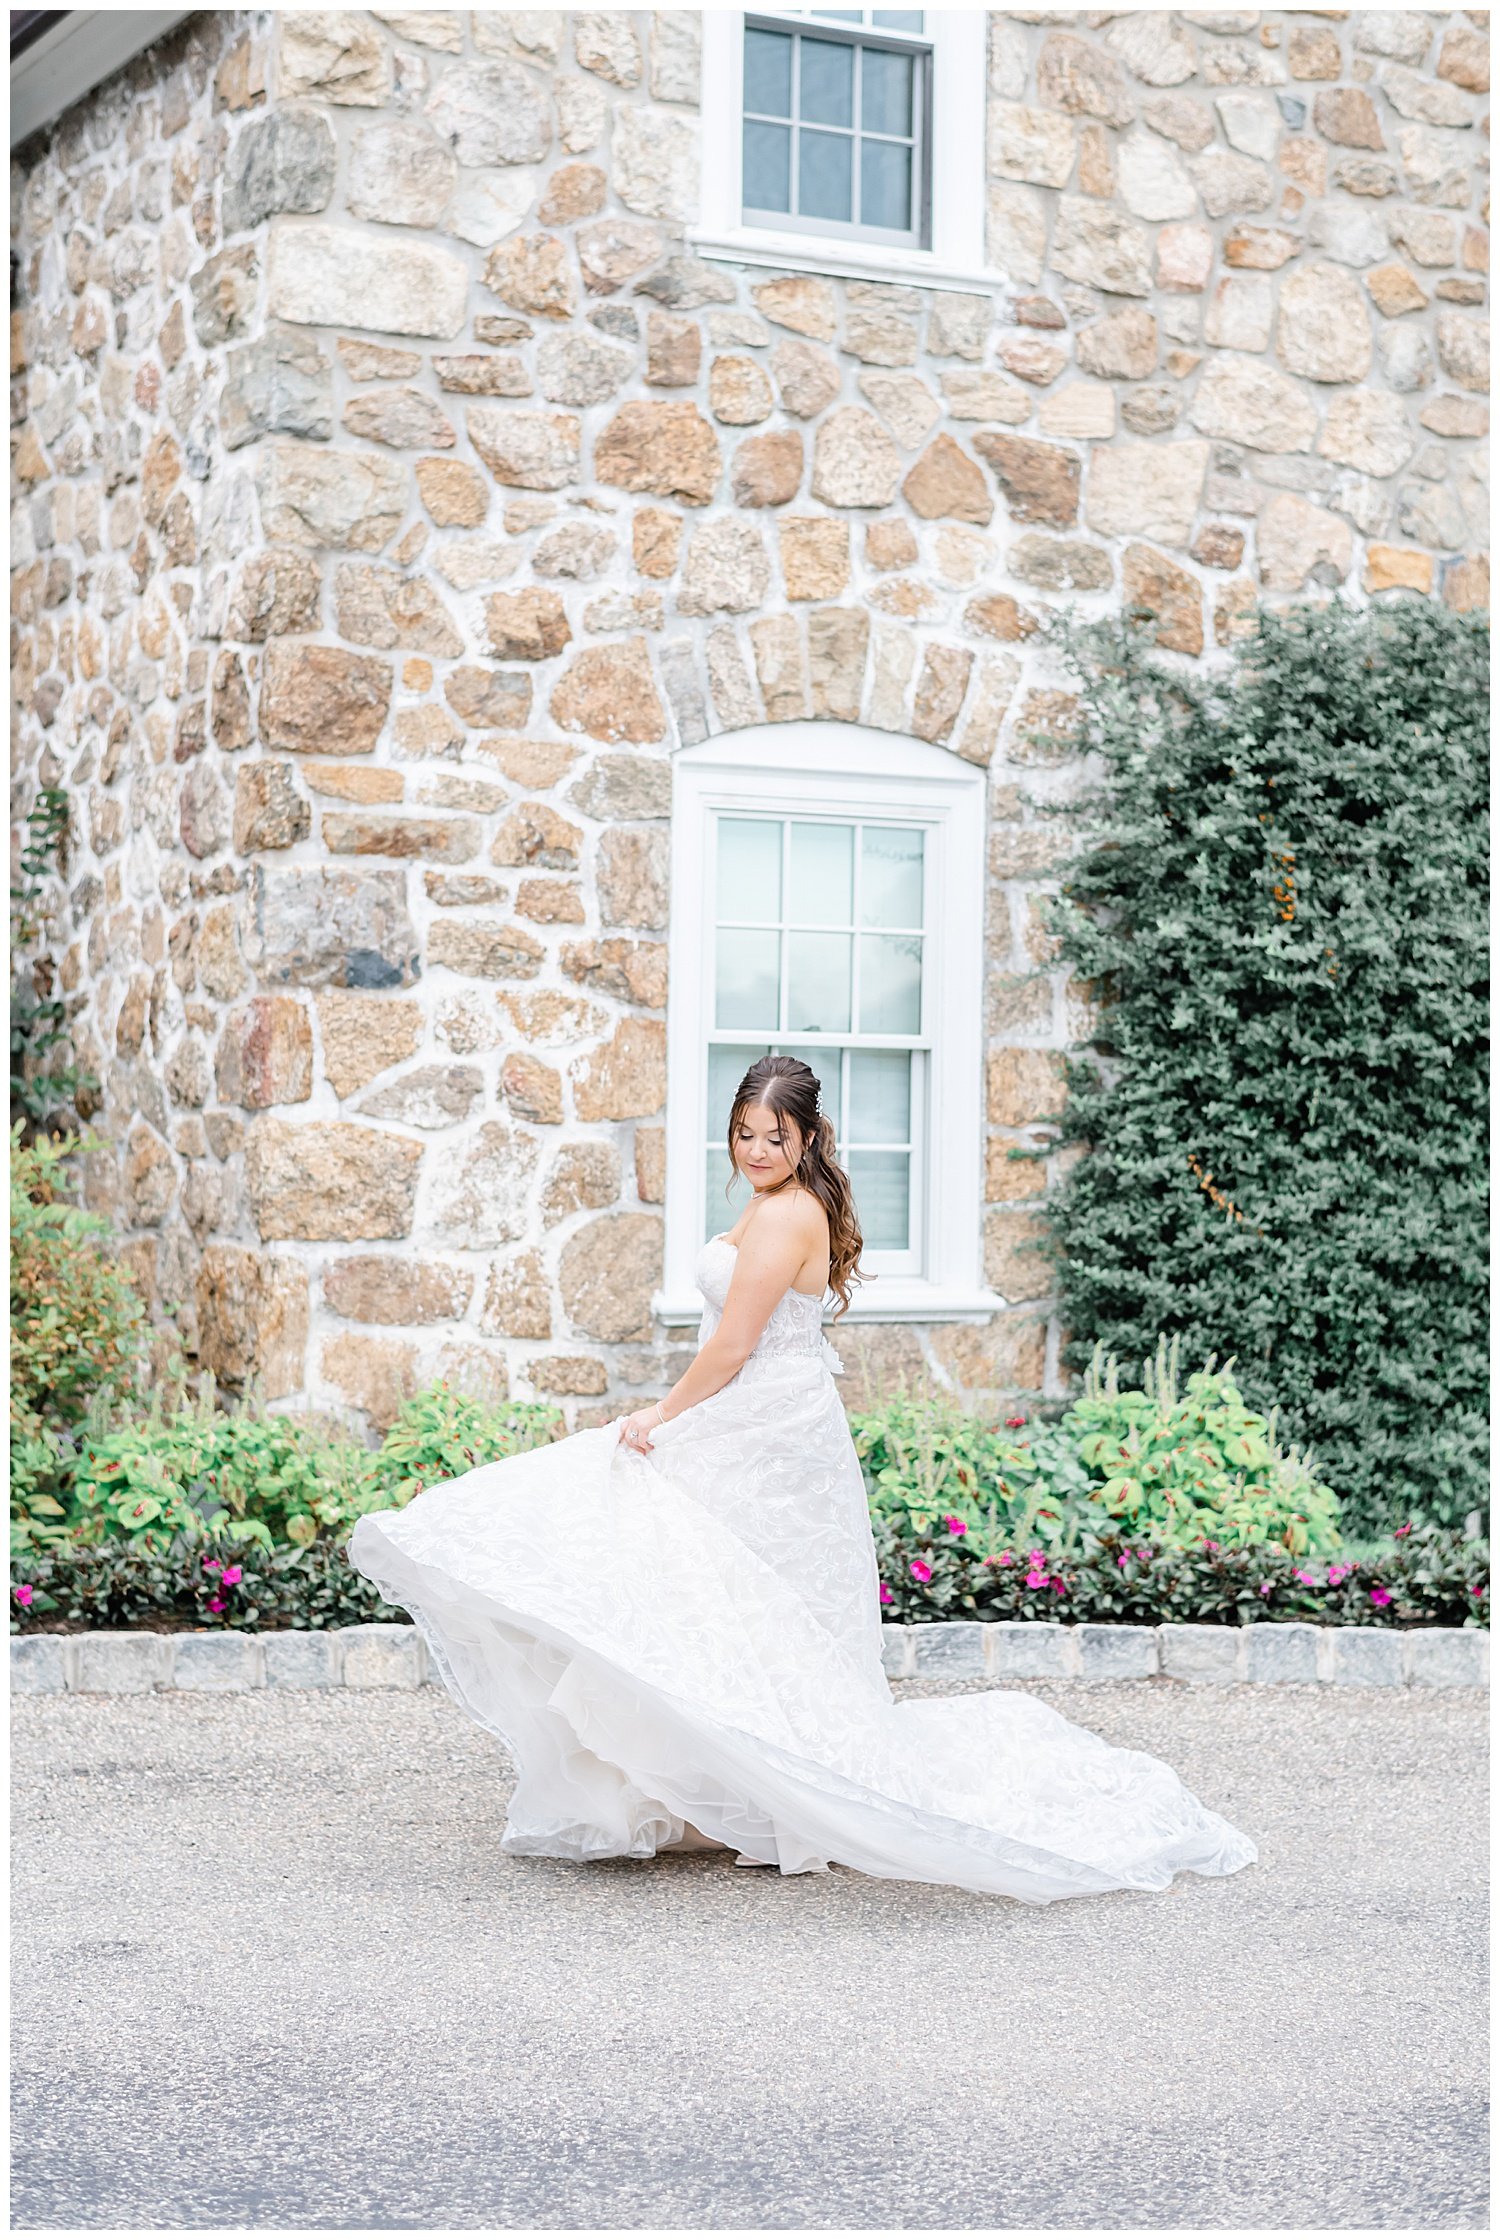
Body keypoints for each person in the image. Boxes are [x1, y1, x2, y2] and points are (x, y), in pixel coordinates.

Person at [346, 1054, 1258, 1905]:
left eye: (773, 1137)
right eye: (743, 1133)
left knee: (734, 1598)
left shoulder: (785, 1215)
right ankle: (720, 1785)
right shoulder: (772, 1201)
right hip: (765, 1421)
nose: (755, 1150)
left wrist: (659, 1415)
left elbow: (736, 1347)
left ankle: (767, 1791)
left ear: (808, 1139)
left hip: (764, 1426)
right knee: (723, 1601)